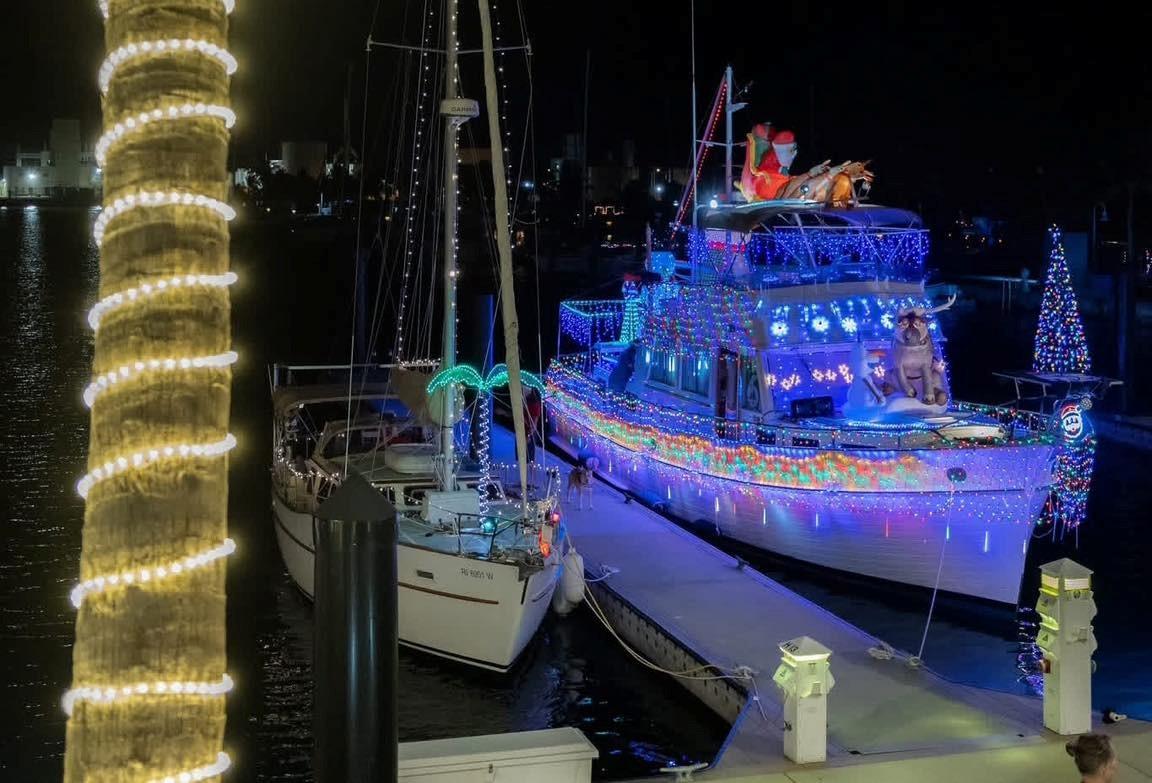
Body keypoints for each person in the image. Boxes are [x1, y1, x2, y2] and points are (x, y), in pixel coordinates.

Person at [524, 389, 543, 463]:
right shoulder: (536, 405)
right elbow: (534, 422)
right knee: (530, 451)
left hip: (525, 427)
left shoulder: (527, 402)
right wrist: (529, 434)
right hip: (529, 429)